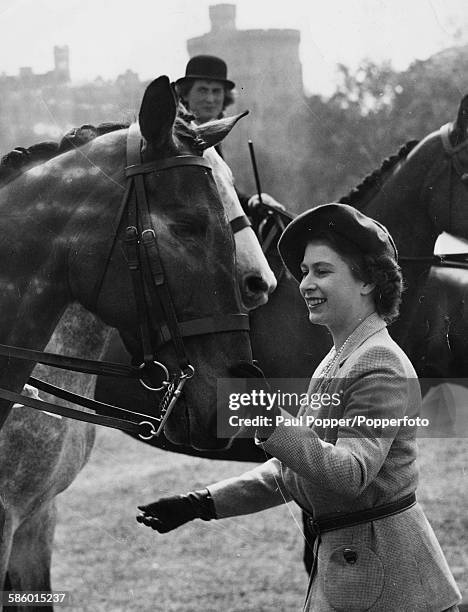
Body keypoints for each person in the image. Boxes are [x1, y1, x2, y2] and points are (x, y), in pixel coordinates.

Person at [136, 203, 461, 612]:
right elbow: (298, 469)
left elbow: (349, 474)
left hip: (393, 589)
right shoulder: (340, 356)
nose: (306, 283)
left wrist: (268, 417)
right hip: (357, 572)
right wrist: (201, 502)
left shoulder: (379, 362)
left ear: (368, 281)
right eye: (304, 271)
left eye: (322, 271)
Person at [174, 54, 286, 222]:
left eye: (216, 91)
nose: (210, 99)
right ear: (185, 95)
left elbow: (223, 192)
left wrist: (253, 202)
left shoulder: (213, 138)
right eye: (203, 90)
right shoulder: (178, 138)